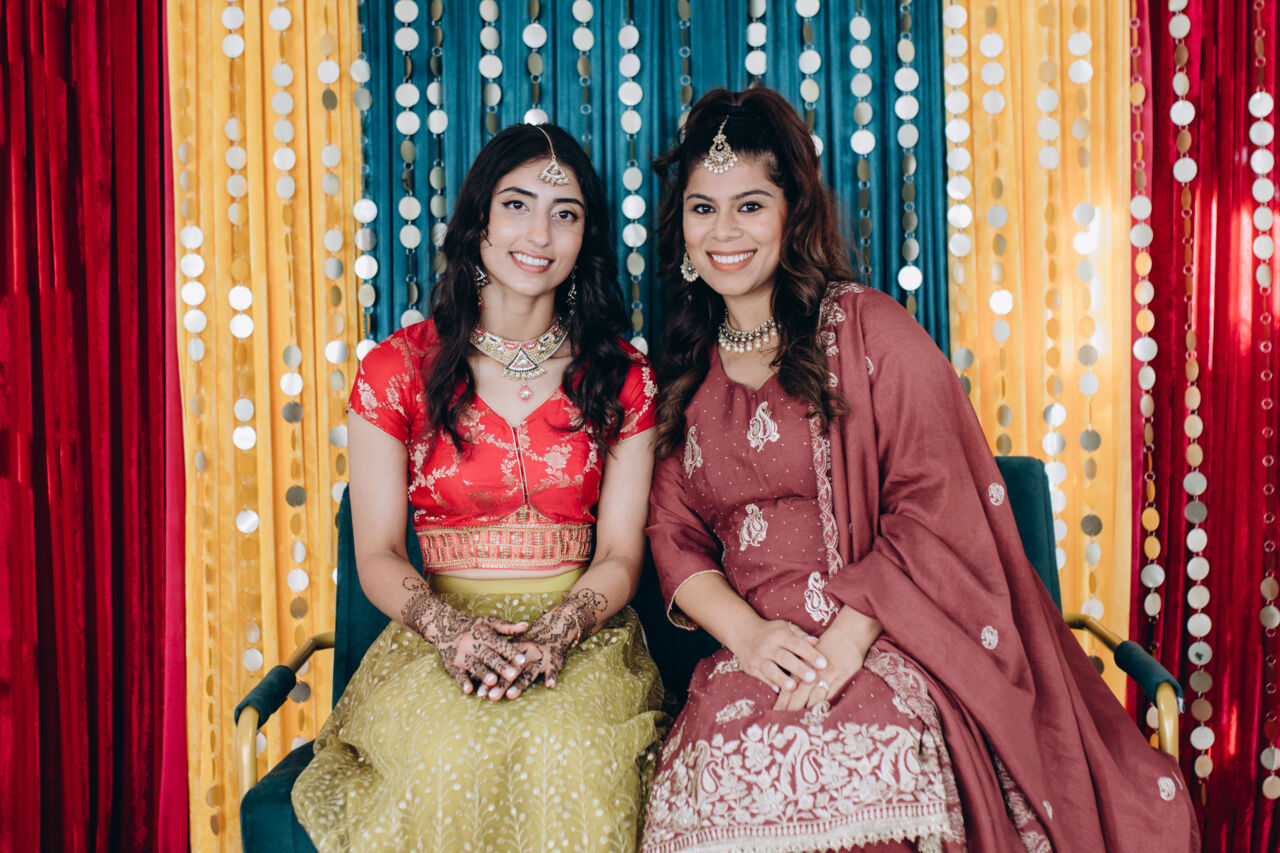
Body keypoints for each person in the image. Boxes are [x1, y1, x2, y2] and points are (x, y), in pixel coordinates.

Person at [641, 87, 1199, 853]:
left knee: (870, 764)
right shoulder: (684, 371)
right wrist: (751, 636)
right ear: (680, 225)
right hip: (754, 654)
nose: (724, 231)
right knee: (721, 773)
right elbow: (672, 533)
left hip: (885, 638)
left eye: (750, 205)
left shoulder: (868, 330)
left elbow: (934, 502)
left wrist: (848, 638)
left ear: (792, 213)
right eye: (703, 208)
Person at [291, 123, 667, 851]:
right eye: (517, 205)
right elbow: (377, 553)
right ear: (479, 220)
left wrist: (559, 631)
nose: (539, 234)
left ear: (585, 238)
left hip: (581, 637)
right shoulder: (396, 371)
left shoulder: (622, 377)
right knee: (447, 754)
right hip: (436, 634)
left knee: (569, 751)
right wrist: (453, 634)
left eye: (565, 213)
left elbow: (621, 553)